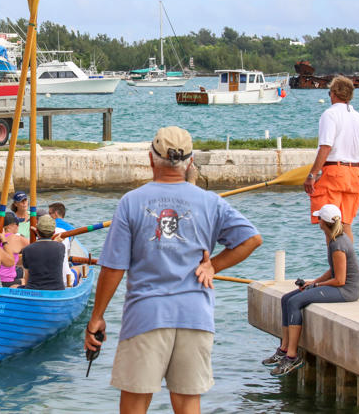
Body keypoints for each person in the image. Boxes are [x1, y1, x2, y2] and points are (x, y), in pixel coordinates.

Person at [84, 126, 262, 414]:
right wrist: (213, 265)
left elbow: (114, 267)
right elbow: (252, 239)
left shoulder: (131, 202)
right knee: (188, 404)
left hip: (146, 316)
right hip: (196, 316)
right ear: (190, 162)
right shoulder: (211, 202)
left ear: (150, 159)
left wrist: (97, 317)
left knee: (134, 404)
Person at [262, 204, 359, 376]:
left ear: (323, 222)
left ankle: (292, 356)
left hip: (347, 290)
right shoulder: (333, 238)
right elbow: (333, 269)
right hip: (339, 285)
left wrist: (316, 286)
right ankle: (283, 349)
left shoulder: (338, 244)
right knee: (286, 299)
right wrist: (314, 282)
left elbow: (340, 280)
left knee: (294, 302)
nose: (317, 221)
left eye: (319, 218)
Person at [304, 76, 359, 241]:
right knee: (345, 224)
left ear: (334, 93)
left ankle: (336, 258)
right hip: (354, 175)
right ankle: (349, 257)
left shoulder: (330, 114)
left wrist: (312, 175)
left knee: (330, 224)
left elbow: (326, 147)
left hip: (333, 173)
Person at [21, 216, 68, 290]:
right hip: (57, 290)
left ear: (37, 231)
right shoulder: (61, 247)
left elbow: (26, 276)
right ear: (54, 232)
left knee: (14, 287)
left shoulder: (27, 249)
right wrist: (55, 241)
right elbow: (48, 249)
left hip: (33, 290)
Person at [0, 212, 29, 287]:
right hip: (7, 281)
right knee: (25, 280)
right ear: (10, 226)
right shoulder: (18, 239)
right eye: (17, 224)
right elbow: (37, 248)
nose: (18, 226)